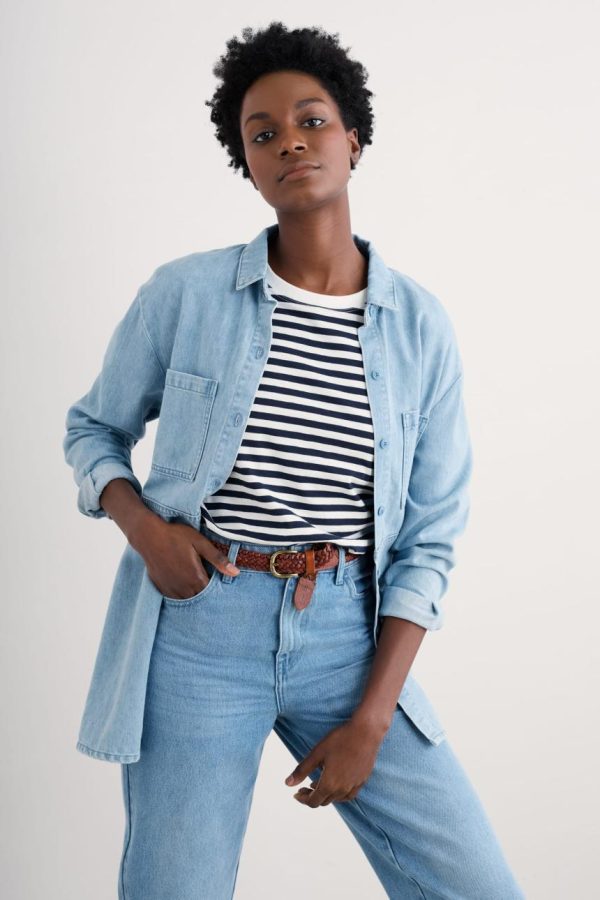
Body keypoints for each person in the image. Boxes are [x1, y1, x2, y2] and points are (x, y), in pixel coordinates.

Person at [63, 21, 526, 900]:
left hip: (351, 634)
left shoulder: (419, 328)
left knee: (479, 885)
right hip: (200, 632)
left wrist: (373, 718)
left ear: (354, 139)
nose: (291, 143)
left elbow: (430, 538)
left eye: (312, 121)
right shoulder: (186, 295)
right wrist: (146, 531)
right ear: (246, 164)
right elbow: (92, 430)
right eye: (263, 133)